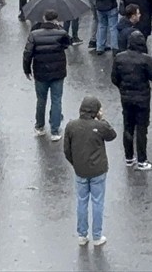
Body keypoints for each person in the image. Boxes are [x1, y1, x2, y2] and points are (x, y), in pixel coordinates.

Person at [63, 96, 117, 247]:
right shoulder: (99, 126)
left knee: (82, 201)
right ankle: (97, 236)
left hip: (80, 170)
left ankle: (82, 235)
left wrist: (76, 164)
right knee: (97, 202)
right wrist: (102, 120)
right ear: (95, 111)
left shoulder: (71, 126)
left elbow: (67, 150)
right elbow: (112, 135)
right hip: (98, 170)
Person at [112, 31, 152, 170]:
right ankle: (142, 160)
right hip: (142, 97)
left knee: (128, 127)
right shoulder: (146, 59)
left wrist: (122, 88)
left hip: (126, 97)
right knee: (141, 129)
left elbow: (114, 78)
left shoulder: (119, 57)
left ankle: (129, 157)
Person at [24, 11, 72, 140]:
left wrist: (27, 69)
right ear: (56, 20)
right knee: (56, 100)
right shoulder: (61, 33)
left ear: (44, 18)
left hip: (40, 72)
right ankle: (55, 131)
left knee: (41, 100)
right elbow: (68, 43)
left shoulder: (34, 34)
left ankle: (39, 126)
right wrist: (60, 28)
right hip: (58, 72)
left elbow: (27, 53)